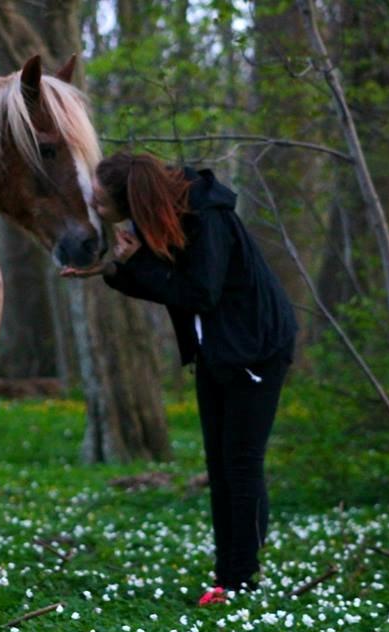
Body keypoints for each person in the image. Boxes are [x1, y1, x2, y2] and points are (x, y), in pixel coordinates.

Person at [62, 152, 298, 605]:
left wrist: (132, 265)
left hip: (255, 349)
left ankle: (239, 579)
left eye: (100, 201)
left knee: (241, 464)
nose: (95, 207)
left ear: (130, 198)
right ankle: (229, 573)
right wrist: (113, 269)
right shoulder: (167, 217)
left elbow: (199, 293)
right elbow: (160, 281)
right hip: (218, 351)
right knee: (220, 466)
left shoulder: (205, 218)